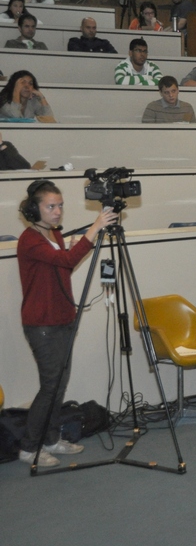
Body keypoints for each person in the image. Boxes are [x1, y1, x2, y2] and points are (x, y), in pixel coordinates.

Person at [16, 180, 118, 466]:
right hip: (42, 324)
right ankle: (29, 448)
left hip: (62, 318)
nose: (58, 211)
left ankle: (49, 440)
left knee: (58, 387)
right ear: (34, 209)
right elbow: (67, 260)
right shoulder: (30, 240)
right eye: (51, 206)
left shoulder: (53, 235)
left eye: (60, 206)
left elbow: (64, 265)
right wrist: (95, 228)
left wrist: (71, 250)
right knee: (50, 386)